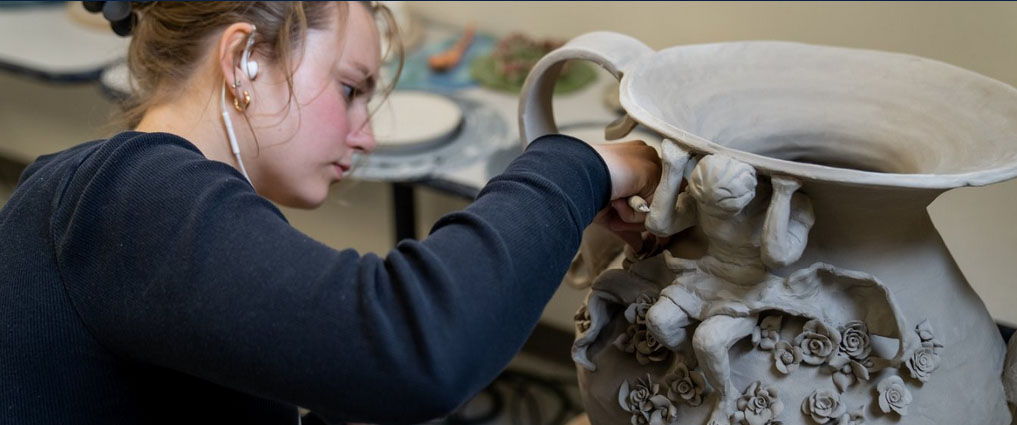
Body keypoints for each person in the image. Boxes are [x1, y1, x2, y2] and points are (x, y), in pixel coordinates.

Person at [0, 2, 660, 424]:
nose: (365, 134)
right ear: (242, 59)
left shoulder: (151, 208)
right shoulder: (127, 193)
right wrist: (577, 165)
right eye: (350, 89)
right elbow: (413, 347)